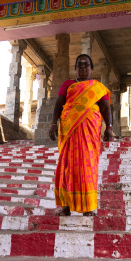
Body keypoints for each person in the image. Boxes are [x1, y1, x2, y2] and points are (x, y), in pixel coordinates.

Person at [49, 54, 113, 216]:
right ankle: (66, 207)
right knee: (67, 168)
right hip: (69, 132)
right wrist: (52, 124)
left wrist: (109, 128)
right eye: (80, 65)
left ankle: (88, 208)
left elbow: (106, 108)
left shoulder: (97, 87)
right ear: (75, 68)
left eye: (86, 65)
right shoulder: (68, 84)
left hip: (89, 135)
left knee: (87, 168)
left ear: (91, 68)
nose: (83, 68)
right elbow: (59, 104)